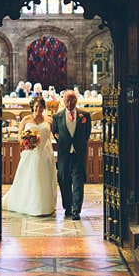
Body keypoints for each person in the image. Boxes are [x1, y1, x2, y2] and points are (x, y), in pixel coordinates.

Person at [2, 96, 57, 216]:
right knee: (31, 176)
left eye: (41, 106)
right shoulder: (26, 119)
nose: (39, 109)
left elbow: (55, 134)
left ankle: (45, 205)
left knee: (44, 176)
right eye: (37, 106)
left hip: (45, 151)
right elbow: (20, 136)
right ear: (32, 107)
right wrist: (27, 142)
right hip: (30, 151)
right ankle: (29, 202)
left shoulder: (49, 120)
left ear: (44, 108)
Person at [53, 89, 91, 220]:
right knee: (64, 180)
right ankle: (68, 207)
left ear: (77, 100)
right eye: (67, 100)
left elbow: (87, 134)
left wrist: (78, 144)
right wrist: (65, 144)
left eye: (72, 100)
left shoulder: (85, 115)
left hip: (78, 153)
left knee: (78, 181)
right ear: (63, 101)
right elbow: (56, 133)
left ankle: (76, 210)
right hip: (64, 153)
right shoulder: (57, 117)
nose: (70, 103)